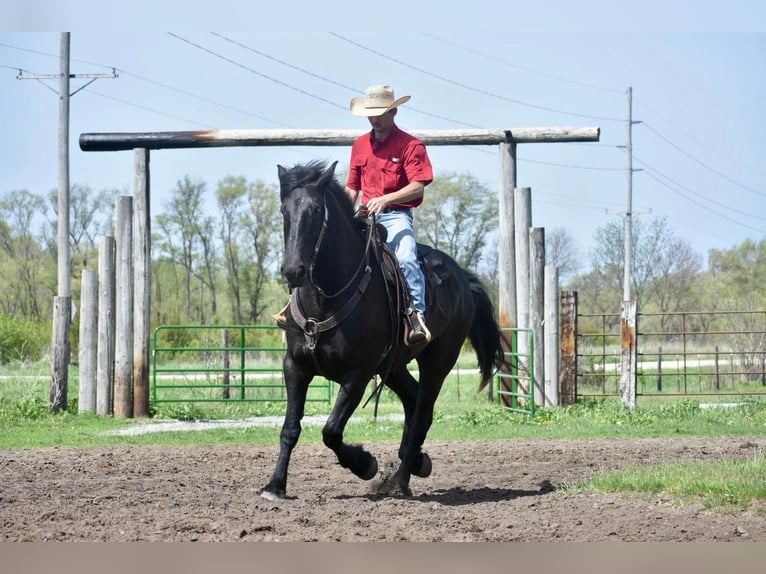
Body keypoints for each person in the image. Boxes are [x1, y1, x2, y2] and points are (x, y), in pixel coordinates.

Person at [345, 84, 433, 345]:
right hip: (363, 215)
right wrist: (338, 213)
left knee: (405, 257)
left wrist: (385, 199)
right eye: (370, 114)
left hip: (396, 216)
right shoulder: (359, 145)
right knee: (325, 249)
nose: (374, 119)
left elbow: (418, 186)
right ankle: (297, 309)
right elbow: (352, 187)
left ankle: (417, 318)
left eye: (380, 113)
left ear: (394, 112)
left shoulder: (410, 145)